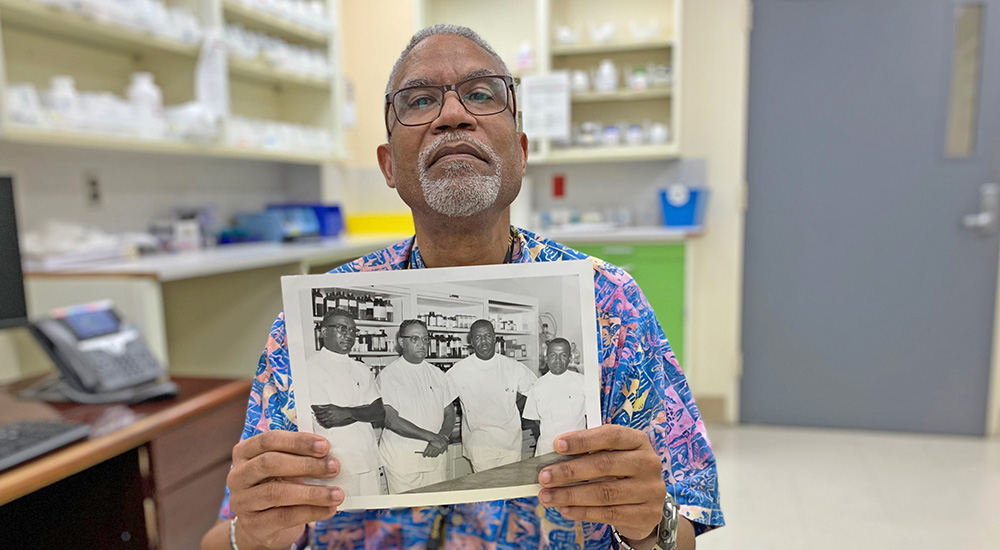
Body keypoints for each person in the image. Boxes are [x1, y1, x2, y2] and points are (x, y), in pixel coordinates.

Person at [203, 24, 723, 550]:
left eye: (480, 94)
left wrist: (646, 523)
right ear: (389, 166)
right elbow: (219, 540)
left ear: (520, 152)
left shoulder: (611, 304)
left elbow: (679, 537)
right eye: (420, 99)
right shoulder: (302, 323)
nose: (453, 115)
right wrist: (253, 534)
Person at [306, 308, 385, 497]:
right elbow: (328, 418)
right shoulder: (310, 367)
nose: (349, 335)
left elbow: (379, 412)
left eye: (352, 330)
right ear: (324, 332)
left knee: (372, 519)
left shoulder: (361, 368)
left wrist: (347, 412)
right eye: (342, 328)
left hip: (368, 459)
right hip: (337, 463)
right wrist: (362, 411)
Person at [376, 319, 459, 493]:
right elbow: (391, 419)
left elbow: (449, 412)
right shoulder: (389, 376)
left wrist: (442, 437)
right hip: (403, 461)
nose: (421, 344)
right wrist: (432, 437)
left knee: (436, 509)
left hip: (435, 456)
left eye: (425, 339)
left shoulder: (437, 374)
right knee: (407, 514)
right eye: (415, 339)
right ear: (401, 342)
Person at [447, 319, 536, 472]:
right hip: (480, 445)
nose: (484, 342)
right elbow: (441, 400)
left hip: (510, 444)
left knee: (511, 491)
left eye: (488, 336)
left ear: (495, 338)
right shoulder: (458, 371)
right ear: (471, 342)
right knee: (487, 492)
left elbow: (535, 392)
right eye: (478, 337)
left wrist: (514, 407)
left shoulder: (512, 366)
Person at [523, 338, 587, 457]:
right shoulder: (537, 386)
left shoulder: (583, 383)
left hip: (576, 451)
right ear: (547, 358)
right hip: (546, 451)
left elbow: (590, 418)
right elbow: (534, 421)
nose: (557, 360)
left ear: (569, 358)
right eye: (553, 355)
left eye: (563, 355)